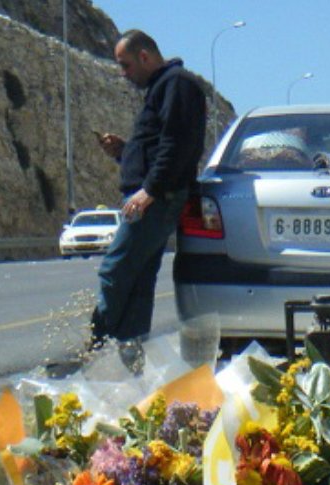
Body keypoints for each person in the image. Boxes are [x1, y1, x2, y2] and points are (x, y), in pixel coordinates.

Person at [89, 28, 206, 358]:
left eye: (125, 65)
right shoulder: (165, 86)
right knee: (138, 280)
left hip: (156, 199)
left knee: (115, 270)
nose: (123, 74)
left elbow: (177, 144)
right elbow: (159, 147)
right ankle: (129, 358)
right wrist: (125, 151)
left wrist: (150, 190)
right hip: (154, 196)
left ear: (144, 56)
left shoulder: (176, 84)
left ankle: (97, 349)